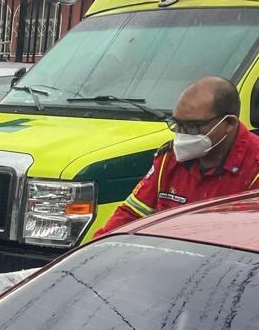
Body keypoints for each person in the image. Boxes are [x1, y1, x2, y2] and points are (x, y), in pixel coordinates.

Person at [95, 76, 259, 237]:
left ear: (228, 124)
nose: (181, 135)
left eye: (192, 127)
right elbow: (130, 215)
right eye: (176, 124)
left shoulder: (254, 169)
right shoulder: (169, 158)